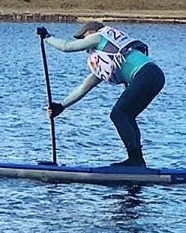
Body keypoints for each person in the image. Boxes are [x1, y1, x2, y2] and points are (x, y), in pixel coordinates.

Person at [37, 21, 164, 168]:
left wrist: (47, 37)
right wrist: (61, 105)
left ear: (91, 32)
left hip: (146, 74)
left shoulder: (99, 36)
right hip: (155, 76)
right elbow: (85, 87)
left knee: (119, 114)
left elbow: (66, 47)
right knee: (127, 116)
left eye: (83, 37)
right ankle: (138, 161)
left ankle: (135, 160)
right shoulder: (107, 59)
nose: (84, 44)